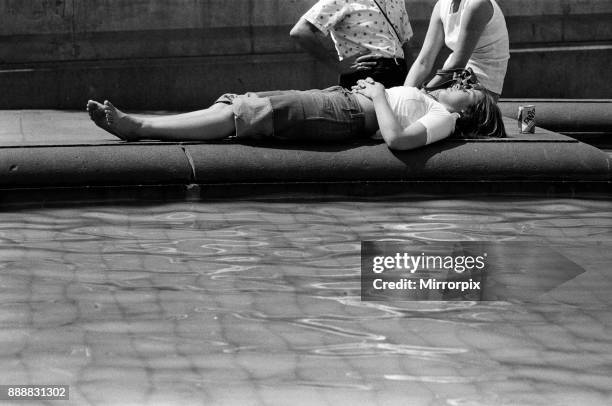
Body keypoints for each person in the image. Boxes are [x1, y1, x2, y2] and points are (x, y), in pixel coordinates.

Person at [87, 78, 506, 151]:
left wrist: (378, 95)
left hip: (344, 114)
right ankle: (139, 125)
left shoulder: (445, 120)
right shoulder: (436, 103)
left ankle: (137, 126)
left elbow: (398, 140)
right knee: (240, 103)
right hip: (340, 102)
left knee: (249, 113)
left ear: (472, 114)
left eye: (471, 91)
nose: (463, 85)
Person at [290, 0, 413, 88]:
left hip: (401, 75)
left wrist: (413, 83)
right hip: (366, 76)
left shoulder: (398, 1)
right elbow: (300, 31)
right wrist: (337, 66)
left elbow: (405, 44)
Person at [404, 0, 509, 99]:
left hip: (481, 87)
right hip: (453, 81)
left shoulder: (477, 4)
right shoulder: (441, 5)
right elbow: (423, 61)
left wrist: (424, 93)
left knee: (423, 107)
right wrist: (404, 94)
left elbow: (457, 65)